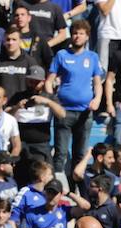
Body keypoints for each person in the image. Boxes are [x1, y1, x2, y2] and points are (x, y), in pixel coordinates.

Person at [45, 20, 103, 175]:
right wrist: (53, 101)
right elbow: (49, 81)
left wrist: (97, 99)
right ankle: (57, 190)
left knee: (80, 154)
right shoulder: (62, 55)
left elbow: (98, 83)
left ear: (87, 36)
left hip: (85, 112)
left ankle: (75, 190)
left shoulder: (92, 57)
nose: (77, 36)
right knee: (60, 154)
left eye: (81, 33)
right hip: (64, 112)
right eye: (75, 33)